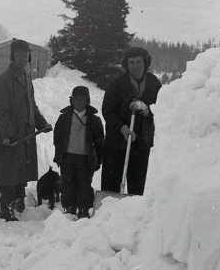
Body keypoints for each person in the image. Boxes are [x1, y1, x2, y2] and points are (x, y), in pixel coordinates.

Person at [0, 39, 52, 221]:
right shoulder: (3, 80)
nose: (23, 59)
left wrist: (41, 123)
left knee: (21, 167)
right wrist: (8, 135)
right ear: (12, 56)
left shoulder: (26, 77)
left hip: (24, 132)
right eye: (19, 55)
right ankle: (5, 206)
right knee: (9, 170)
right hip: (9, 133)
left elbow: (31, 105)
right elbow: (0, 111)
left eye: (25, 56)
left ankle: (18, 199)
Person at [101, 47, 162, 195]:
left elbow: (162, 108)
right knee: (112, 182)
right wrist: (122, 127)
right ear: (126, 64)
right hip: (116, 142)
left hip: (141, 142)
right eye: (131, 62)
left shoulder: (154, 84)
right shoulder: (117, 84)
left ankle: (133, 214)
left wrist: (146, 109)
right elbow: (107, 111)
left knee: (137, 184)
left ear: (145, 62)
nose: (135, 65)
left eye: (138, 61)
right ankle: (108, 214)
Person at [53, 86, 104, 219]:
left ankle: (83, 209)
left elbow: (99, 142)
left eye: (81, 100)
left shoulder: (94, 120)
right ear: (71, 101)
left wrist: (98, 160)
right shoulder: (64, 118)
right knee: (67, 184)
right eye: (75, 99)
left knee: (84, 185)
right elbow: (57, 137)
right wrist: (60, 153)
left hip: (85, 159)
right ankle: (69, 209)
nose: (78, 102)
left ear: (87, 100)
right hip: (67, 157)